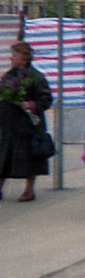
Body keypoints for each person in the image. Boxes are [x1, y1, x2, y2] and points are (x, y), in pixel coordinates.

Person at [0, 41, 53, 202]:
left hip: (28, 125)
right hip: (10, 125)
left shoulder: (36, 77)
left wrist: (31, 104)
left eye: (15, 55)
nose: (11, 58)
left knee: (30, 159)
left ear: (24, 59)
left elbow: (46, 99)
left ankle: (29, 190)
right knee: (4, 157)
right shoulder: (10, 75)